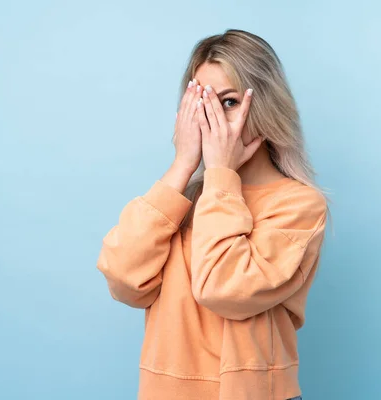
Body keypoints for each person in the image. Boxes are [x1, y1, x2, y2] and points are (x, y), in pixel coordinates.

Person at [97, 29, 328, 400]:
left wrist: (221, 173)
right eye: (201, 102)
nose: (213, 119)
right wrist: (182, 166)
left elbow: (225, 289)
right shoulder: (180, 200)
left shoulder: (299, 206)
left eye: (230, 102)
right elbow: (123, 281)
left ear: (266, 106)